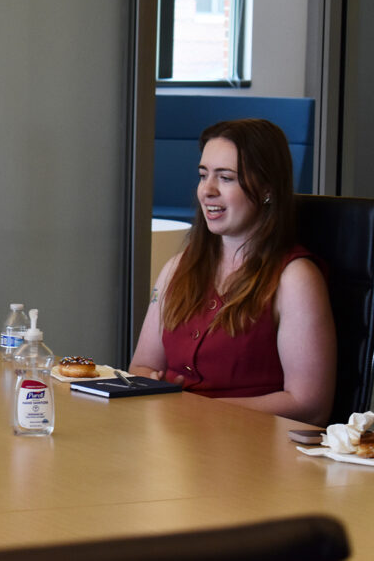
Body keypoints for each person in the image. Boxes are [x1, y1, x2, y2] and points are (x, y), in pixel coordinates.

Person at [130, 118, 335, 425]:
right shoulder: (177, 267)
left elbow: (309, 405)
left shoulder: (295, 278)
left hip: (250, 445)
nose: (207, 190)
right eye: (203, 175)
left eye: (225, 178)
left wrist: (193, 410)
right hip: (174, 438)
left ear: (266, 189)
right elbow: (141, 367)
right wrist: (152, 384)